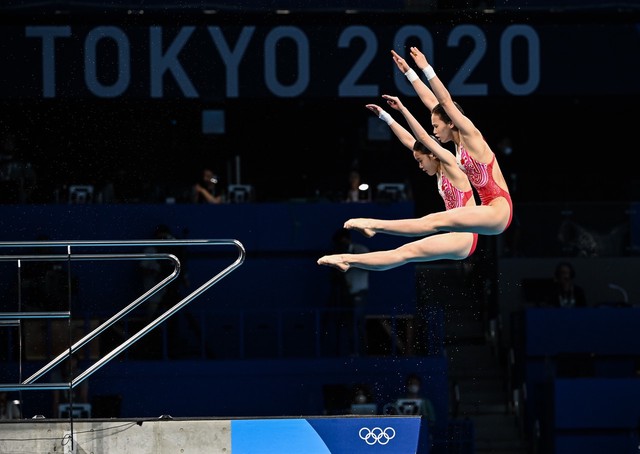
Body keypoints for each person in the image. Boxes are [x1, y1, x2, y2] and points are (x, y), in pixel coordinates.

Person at [340, 47, 512, 240]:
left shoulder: (471, 134)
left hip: (499, 209)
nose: (434, 131)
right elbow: (433, 102)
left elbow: (445, 102)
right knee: (434, 223)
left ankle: (374, 225)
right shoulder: (457, 144)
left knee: (434, 221)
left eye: (436, 126)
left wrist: (426, 68)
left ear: (451, 122)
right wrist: (409, 73)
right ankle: (373, 229)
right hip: (488, 211)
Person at [317, 95, 478, 272]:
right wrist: (386, 117)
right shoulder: (439, 169)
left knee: (407, 250)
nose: (420, 166)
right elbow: (411, 141)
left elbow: (423, 138)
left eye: (420, 161)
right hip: (458, 236)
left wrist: (402, 109)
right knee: (404, 252)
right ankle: (348, 259)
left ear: (432, 154)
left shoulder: (449, 163)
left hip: (464, 236)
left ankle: (367, 233)